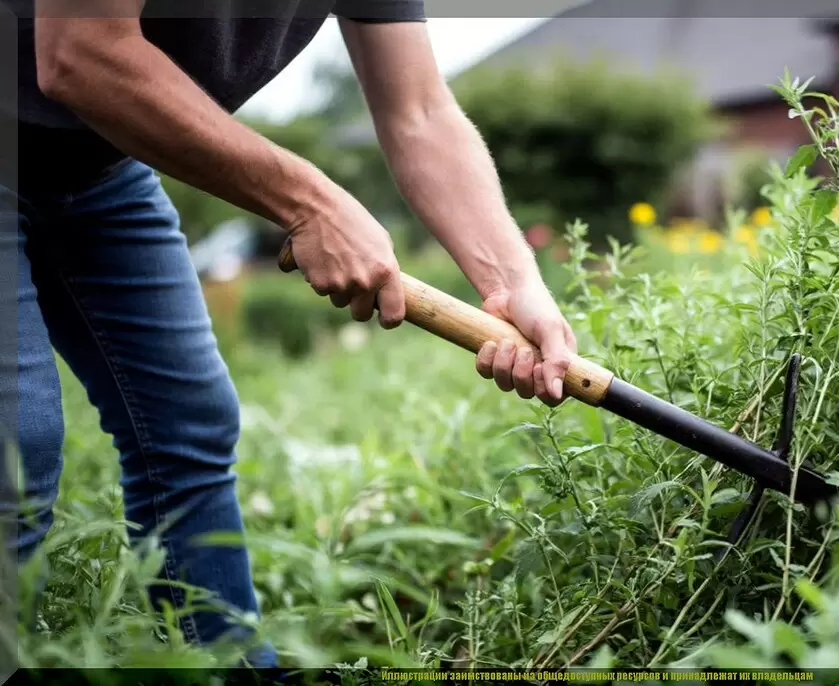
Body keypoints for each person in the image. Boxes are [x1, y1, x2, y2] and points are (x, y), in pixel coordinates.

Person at [0, 0, 578, 667]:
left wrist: (514, 283)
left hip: (102, 167)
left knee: (188, 426)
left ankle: (229, 670)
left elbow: (418, 110)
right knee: (17, 445)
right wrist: (310, 202)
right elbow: (81, 52)